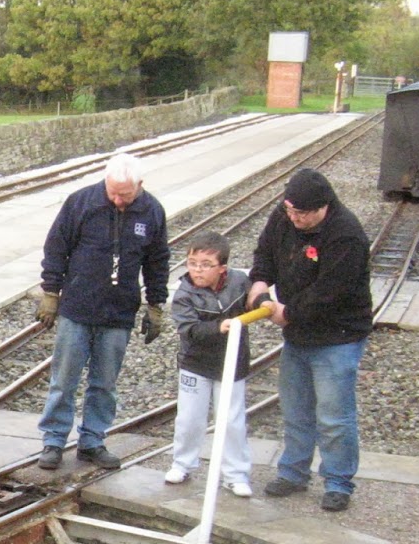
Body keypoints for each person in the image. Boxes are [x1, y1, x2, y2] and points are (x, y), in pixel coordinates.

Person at [34, 151, 170, 470]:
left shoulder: (152, 212)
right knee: (63, 379)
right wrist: (51, 293)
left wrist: (155, 304)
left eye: (125, 194)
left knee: (105, 383)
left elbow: (157, 261)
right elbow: (56, 248)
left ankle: (93, 440)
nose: (118, 200)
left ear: (140, 185)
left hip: (119, 312)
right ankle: (53, 440)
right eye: (113, 192)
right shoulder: (80, 203)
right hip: (77, 307)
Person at [247, 167, 372, 512]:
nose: (295, 218)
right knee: (296, 407)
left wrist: (286, 313)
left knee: (334, 415)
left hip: (338, 335)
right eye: (290, 210)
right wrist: (259, 283)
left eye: (302, 213)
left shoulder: (346, 235)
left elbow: (329, 294)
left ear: (323, 207)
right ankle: (293, 472)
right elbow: (266, 253)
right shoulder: (284, 216)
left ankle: (338, 481)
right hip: (299, 335)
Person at [164, 231, 254, 496]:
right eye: (192, 263)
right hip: (196, 362)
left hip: (232, 360)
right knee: (190, 418)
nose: (197, 270)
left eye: (205, 265)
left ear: (222, 268)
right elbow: (189, 329)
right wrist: (219, 326)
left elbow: (253, 298)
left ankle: (236, 474)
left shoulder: (239, 281)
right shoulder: (184, 293)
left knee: (232, 419)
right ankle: (182, 463)